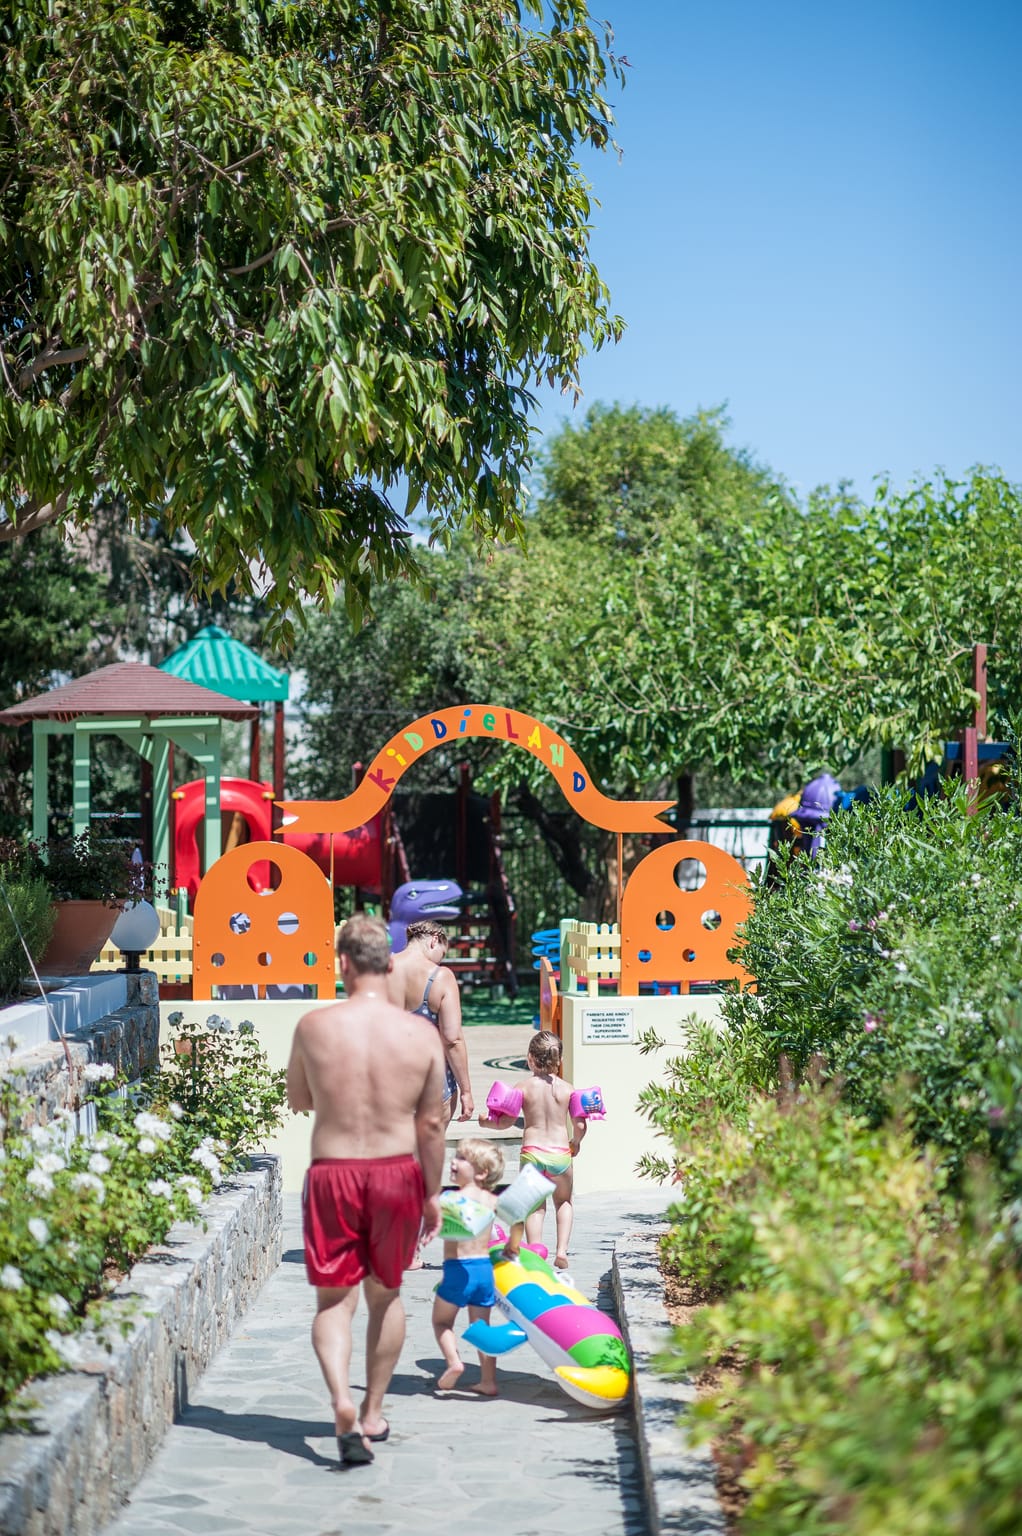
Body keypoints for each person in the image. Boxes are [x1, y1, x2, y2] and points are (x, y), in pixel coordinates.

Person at [286, 912, 447, 1467]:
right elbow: (431, 1126)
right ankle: (373, 1410)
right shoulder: (421, 1035)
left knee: (335, 1300)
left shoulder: (313, 1026)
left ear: (344, 963)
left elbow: (300, 1098)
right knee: (387, 1294)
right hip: (396, 1171)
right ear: (388, 963)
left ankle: (338, 1400)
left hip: (333, 1171)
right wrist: (431, 1193)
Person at [479, 1030, 586, 1269]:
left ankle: (536, 1252)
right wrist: (576, 1142)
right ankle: (561, 1251)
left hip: (533, 1153)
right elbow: (580, 1124)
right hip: (560, 1155)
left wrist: (486, 1122)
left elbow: (506, 1121)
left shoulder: (523, 1087)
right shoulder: (568, 1089)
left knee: (534, 1206)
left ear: (529, 1058)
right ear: (559, 1060)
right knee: (564, 1203)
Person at [432, 1137, 504, 1395]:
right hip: (484, 1270)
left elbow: (435, 1226)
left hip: (457, 1270)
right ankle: (488, 1381)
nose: (453, 1161)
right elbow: (517, 1221)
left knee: (442, 1322)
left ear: (482, 1171)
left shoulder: (451, 1197)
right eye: (455, 1156)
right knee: (481, 1328)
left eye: (462, 1158)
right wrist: (513, 1247)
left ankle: (454, 1363)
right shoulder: (492, 1201)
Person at [387, 919, 475, 1125]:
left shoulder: (380, 970)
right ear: (434, 941)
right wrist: (467, 1091)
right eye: (442, 955)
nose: (439, 961)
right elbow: (452, 1039)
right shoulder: (441, 977)